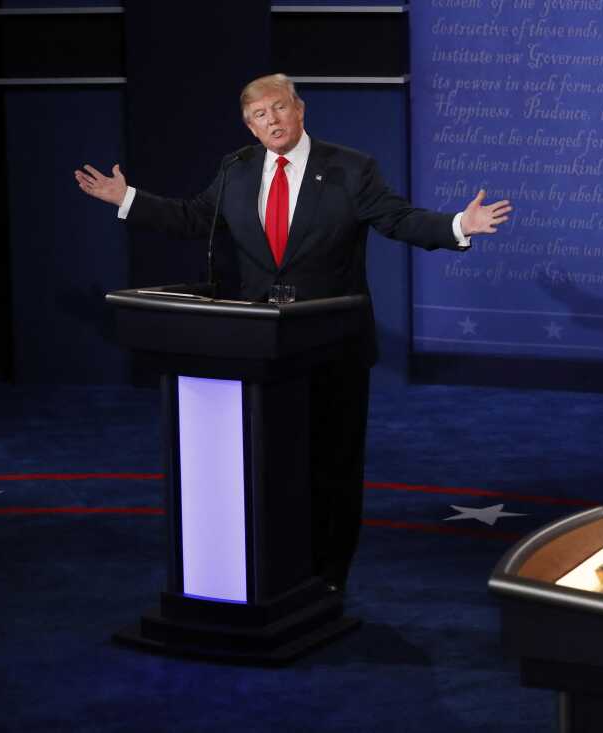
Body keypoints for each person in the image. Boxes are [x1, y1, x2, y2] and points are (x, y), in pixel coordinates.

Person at [75, 73, 511, 593]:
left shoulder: (350, 168)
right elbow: (195, 218)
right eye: (260, 116)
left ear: (299, 109)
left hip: (333, 347)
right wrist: (129, 198)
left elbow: (398, 219)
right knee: (274, 467)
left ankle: (330, 577)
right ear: (250, 128)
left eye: (279, 108)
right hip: (261, 349)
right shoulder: (236, 171)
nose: (272, 121)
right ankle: (278, 570)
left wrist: (459, 225)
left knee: (332, 468)